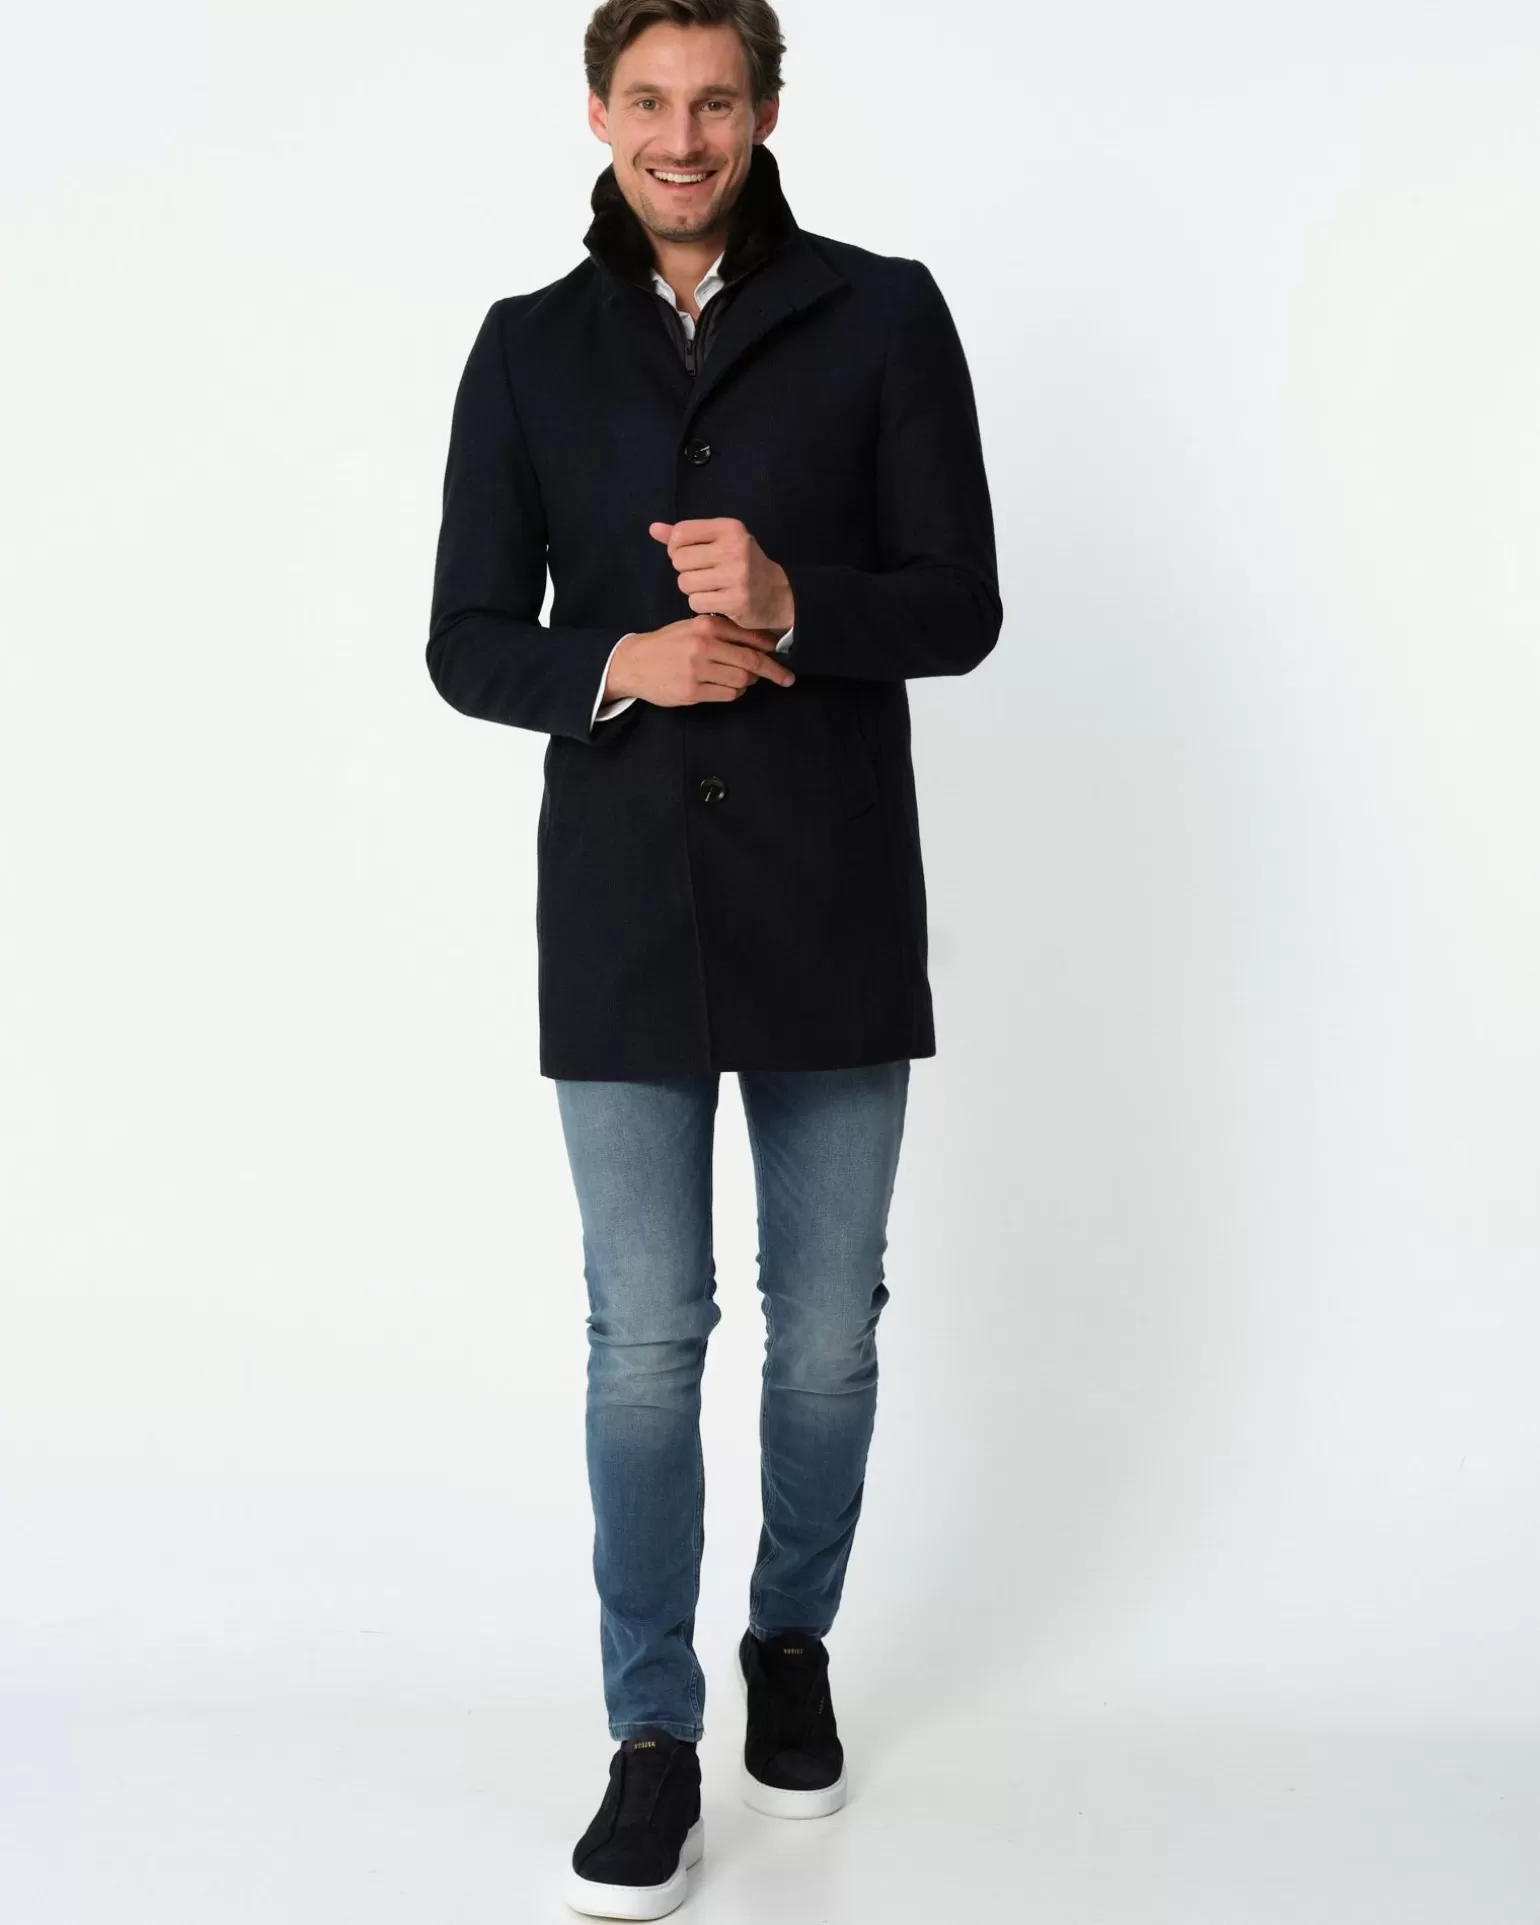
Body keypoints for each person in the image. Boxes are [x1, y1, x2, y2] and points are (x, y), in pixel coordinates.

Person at [425, 1, 1001, 1914]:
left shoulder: (883, 313)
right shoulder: (526, 347)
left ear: (765, 109)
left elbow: (964, 604)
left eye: (717, 100)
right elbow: (462, 637)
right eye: (650, 102)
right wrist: (617, 660)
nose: (683, 137)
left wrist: (793, 602)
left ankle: (789, 1644)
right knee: (644, 1338)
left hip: (831, 892)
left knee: (826, 1331)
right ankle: (652, 1736)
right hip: (621, 911)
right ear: (599, 113)